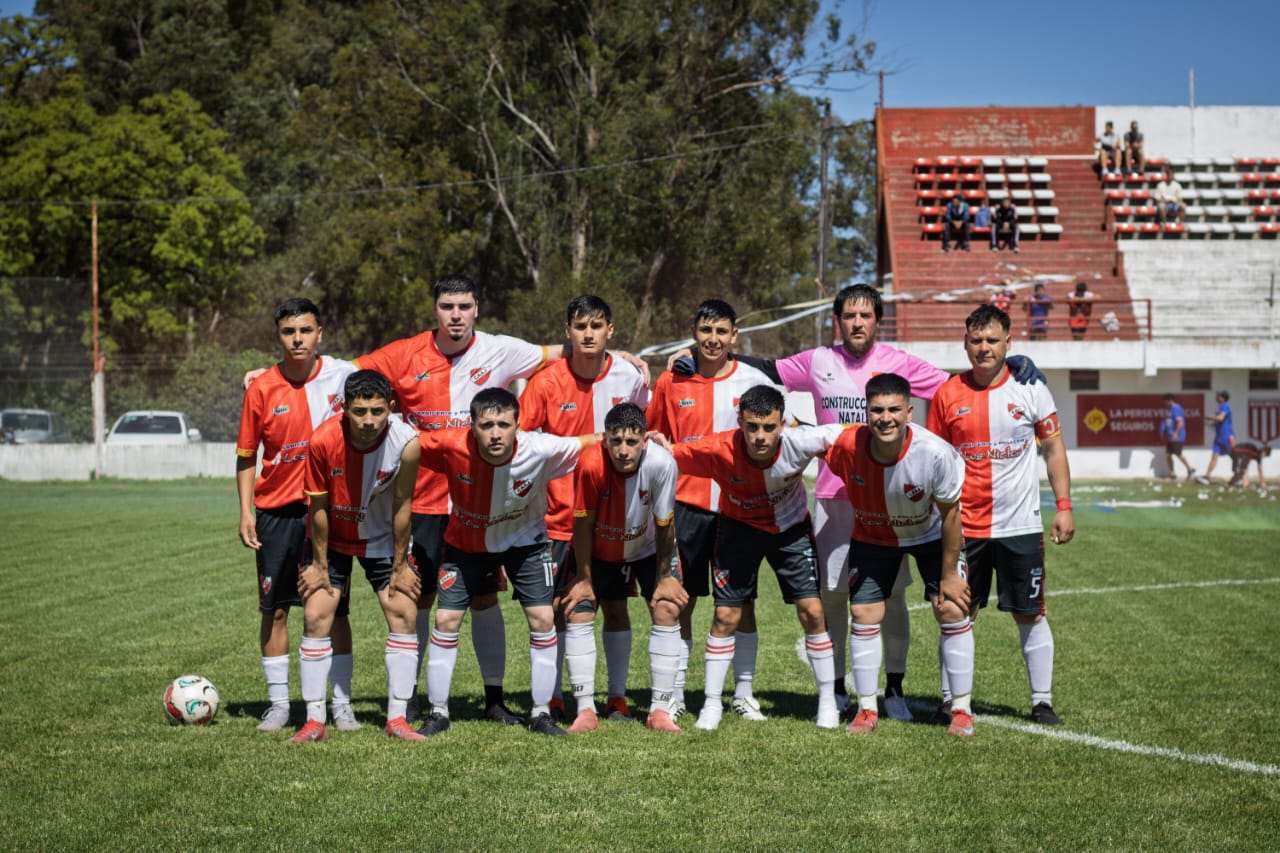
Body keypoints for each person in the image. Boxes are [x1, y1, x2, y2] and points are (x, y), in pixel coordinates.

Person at [683, 284, 1044, 722]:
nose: (857, 323)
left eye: (866, 315)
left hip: (895, 497)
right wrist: (696, 359)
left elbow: (957, 384)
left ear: (877, 321)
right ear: (838, 320)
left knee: (891, 598)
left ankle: (892, 689)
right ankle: (834, 692)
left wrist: (1013, 365)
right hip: (836, 497)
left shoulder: (900, 364)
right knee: (833, 597)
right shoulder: (817, 360)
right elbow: (767, 368)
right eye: (849, 315)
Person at [659, 384, 846, 730]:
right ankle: (712, 705)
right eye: (752, 427)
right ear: (740, 422)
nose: (760, 436)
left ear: (783, 423)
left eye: (769, 427)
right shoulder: (717, 448)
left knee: (813, 611)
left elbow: (847, 435)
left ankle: (827, 703)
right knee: (726, 615)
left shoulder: (802, 440)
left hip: (790, 532)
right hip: (737, 530)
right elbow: (668, 454)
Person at [416, 388, 600, 737]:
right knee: (445, 618)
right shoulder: (449, 444)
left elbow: (591, 442)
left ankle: (541, 713)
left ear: (518, 425)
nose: (496, 433)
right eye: (486, 425)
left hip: (524, 543)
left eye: (504, 424)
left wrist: (647, 438)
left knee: (544, 617)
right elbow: (400, 441)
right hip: (465, 544)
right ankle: (438, 711)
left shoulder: (541, 448)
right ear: (472, 426)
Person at [927, 306, 1075, 728]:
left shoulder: (1032, 390)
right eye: (976, 341)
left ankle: (1041, 702)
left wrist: (1063, 506)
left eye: (992, 340)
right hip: (963, 528)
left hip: (1020, 526)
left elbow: (1054, 450)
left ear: (1009, 344)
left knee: (1029, 613)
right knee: (955, 612)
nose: (984, 348)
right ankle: (952, 701)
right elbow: (935, 460)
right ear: (965, 344)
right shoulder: (946, 394)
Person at [648, 299, 780, 722]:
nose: (713, 339)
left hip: (737, 507)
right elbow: (655, 435)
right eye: (706, 330)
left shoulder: (753, 379)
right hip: (685, 506)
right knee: (680, 601)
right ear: (693, 331)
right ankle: (676, 694)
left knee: (741, 604)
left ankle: (743, 693)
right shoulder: (671, 380)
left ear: (734, 335)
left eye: (722, 331)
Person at [518, 295, 649, 722]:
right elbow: (523, 441)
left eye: (597, 326)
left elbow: (645, 435)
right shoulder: (546, 382)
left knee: (615, 605)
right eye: (580, 326)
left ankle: (616, 698)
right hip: (555, 520)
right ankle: (556, 696)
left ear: (610, 330)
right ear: (567, 331)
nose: (588, 333)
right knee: (556, 609)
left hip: (612, 520)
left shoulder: (630, 377)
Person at [825, 373, 974, 737]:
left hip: (929, 534)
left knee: (952, 607)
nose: (885, 418)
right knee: (863, 612)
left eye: (894, 410)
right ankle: (866, 710)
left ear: (909, 412)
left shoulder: (935, 453)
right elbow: (805, 439)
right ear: (866, 411)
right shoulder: (847, 444)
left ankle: (961, 709)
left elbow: (952, 516)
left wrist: (951, 573)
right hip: (874, 535)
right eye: (877, 410)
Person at [236, 298, 359, 733]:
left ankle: (341, 704)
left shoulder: (343, 375)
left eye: (305, 330)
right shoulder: (262, 388)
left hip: (327, 511)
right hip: (276, 513)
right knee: (276, 609)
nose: (298, 339)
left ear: (319, 333)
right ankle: (279, 705)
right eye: (289, 332)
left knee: (335, 608)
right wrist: (246, 510)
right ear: (278, 336)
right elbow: (247, 455)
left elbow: (387, 380)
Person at [292, 369, 423, 742]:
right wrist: (318, 566)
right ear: (344, 408)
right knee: (317, 615)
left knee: (404, 611)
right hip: (331, 539)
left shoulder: (407, 442)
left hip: (381, 539)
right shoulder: (321, 441)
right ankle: (315, 721)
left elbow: (403, 506)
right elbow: (317, 508)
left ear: (391, 408)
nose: (368, 421)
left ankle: (397, 720)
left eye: (378, 411)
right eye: (359, 411)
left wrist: (400, 567)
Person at [563, 402, 689, 734]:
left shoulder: (662, 463)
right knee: (580, 609)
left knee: (667, 608)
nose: (623, 450)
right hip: (600, 550)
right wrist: (584, 579)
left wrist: (663, 578)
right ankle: (586, 709)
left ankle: (659, 710)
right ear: (604, 440)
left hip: (647, 549)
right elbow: (582, 525)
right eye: (615, 441)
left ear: (645, 440)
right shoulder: (590, 465)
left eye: (631, 442)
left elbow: (665, 524)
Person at [1198, 391, 1234, 483]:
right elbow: (1220, 421)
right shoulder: (1220, 407)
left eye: (1218, 396)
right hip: (1219, 436)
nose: (1216, 397)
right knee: (1214, 456)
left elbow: (1220, 418)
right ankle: (1207, 476)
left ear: (1223, 398)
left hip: (1226, 436)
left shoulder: (1225, 406)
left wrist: (1208, 417)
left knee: (1234, 455)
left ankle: (1239, 475)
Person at [1159, 393, 1195, 481]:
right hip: (1170, 436)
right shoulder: (1169, 410)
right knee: (1168, 454)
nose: (1164, 404)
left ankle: (1190, 469)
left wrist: (1176, 433)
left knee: (1178, 453)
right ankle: (1172, 473)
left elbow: (1180, 422)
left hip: (1177, 436)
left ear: (1170, 400)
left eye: (1165, 401)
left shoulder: (1176, 408)